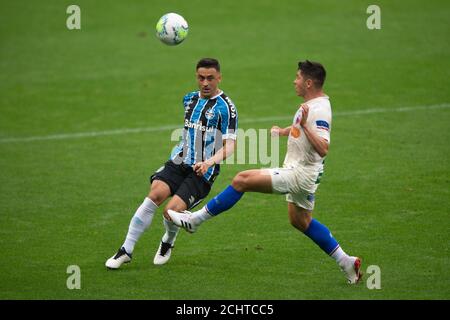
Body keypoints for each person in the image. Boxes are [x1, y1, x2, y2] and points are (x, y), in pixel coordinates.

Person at [168, 60, 362, 284]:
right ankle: (346, 261)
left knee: (242, 180)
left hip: (299, 173)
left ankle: (195, 220)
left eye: (298, 77)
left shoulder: (319, 110)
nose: (294, 81)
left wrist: (306, 126)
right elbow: (302, 125)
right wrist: (284, 131)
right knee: (301, 221)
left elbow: (323, 147)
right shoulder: (313, 104)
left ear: (309, 83)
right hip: (305, 173)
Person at [106, 58, 238, 269]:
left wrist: (208, 162)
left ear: (219, 78)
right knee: (154, 195)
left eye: (210, 78)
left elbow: (231, 146)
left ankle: (168, 241)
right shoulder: (189, 99)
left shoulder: (227, 108)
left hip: (202, 171)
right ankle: (126, 250)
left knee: (171, 212)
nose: (205, 83)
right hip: (179, 160)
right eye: (201, 78)